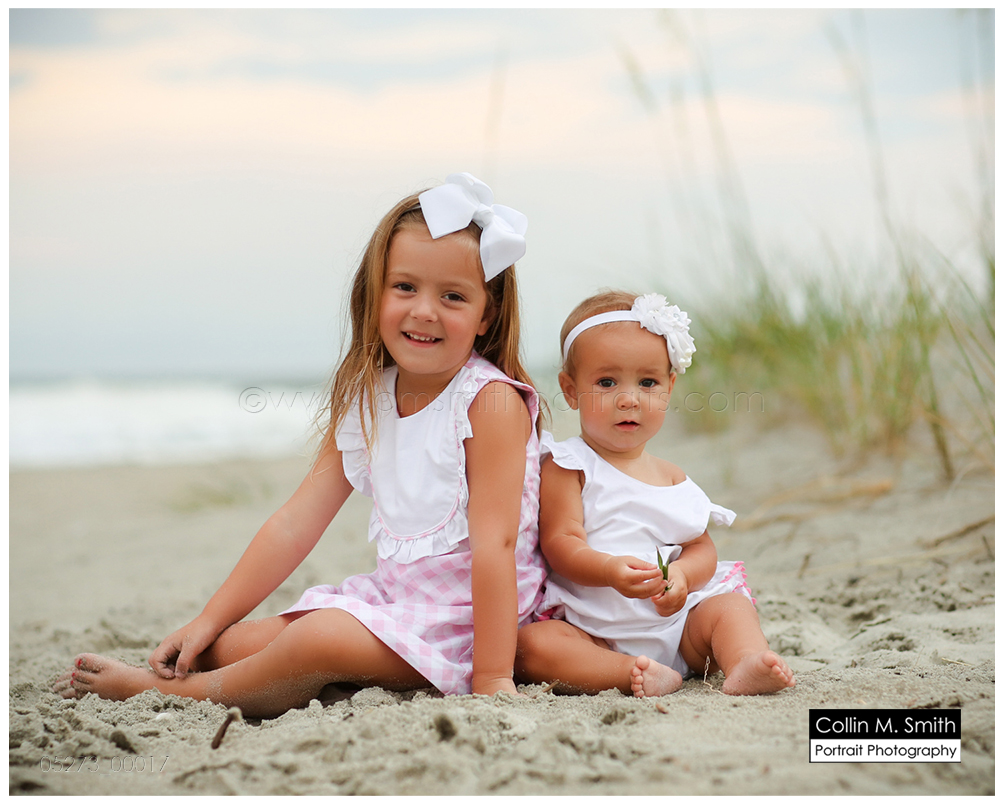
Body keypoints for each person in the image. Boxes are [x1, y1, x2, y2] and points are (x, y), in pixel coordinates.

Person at [54, 173, 547, 716]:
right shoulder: (369, 397)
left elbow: (498, 547)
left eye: (453, 296)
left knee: (320, 640)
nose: (424, 311)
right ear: (374, 290)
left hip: (474, 622)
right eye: (404, 287)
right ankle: (311, 673)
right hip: (395, 603)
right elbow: (295, 522)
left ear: (487, 314)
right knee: (232, 644)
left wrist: (493, 675)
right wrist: (208, 619)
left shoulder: (491, 403)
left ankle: (170, 694)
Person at [514, 290, 795, 697]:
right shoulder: (569, 464)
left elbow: (701, 547)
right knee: (533, 647)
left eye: (648, 382)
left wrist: (681, 575)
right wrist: (609, 570)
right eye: (606, 382)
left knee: (728, 608)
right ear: (570, 389)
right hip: (593, 631)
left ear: (668, 387)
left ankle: (745, 660)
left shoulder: (672, 477)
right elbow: (560, 541)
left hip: (679, 627)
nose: (629, 399)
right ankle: (627, 670)